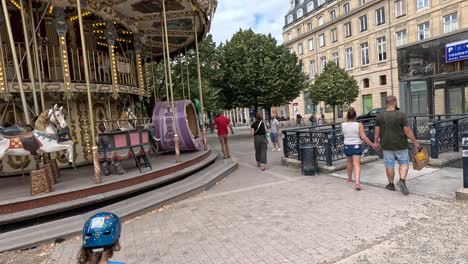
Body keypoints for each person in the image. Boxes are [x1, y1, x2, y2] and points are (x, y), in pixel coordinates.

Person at [374, 96, 420, 195]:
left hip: (386, 145)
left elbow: (376, 132)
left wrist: (376, 142)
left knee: (389, 165)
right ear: (395, 103)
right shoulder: (401, 115)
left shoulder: (379, 117)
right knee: (404, 163)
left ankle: (391, 185)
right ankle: (402, 180)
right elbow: (407, 131)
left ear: (386, 103)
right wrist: (415, 142)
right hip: (401, 145)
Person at [342, 108, 375, 190]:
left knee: (349, 162)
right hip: (356, 145)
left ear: (347, 116)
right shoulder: (359, 124)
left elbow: (345, 134)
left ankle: (349, 178)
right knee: (356, 164)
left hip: (347, 145)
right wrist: (372, 144)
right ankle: (357, 183)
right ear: (355, 116)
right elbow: (363, 137)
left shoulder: (342, 124)